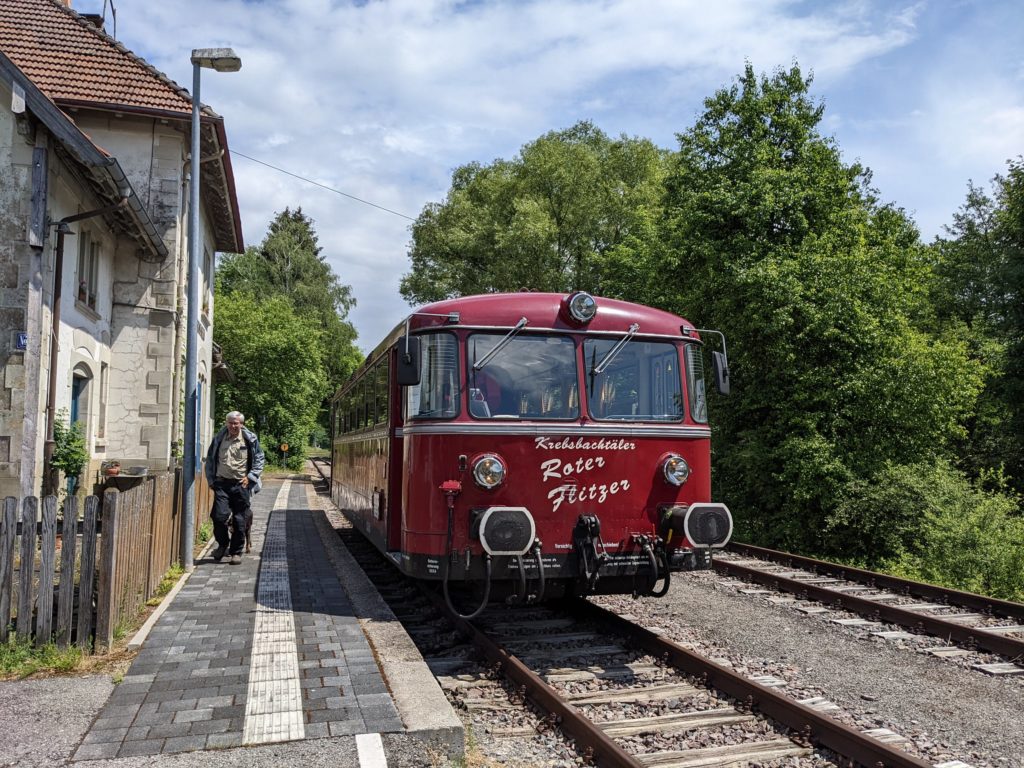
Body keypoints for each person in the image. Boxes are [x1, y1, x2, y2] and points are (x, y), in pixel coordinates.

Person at [204, 411, 265, 564]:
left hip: (241, 485)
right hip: (222, 484)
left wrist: (251, 477)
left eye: (236, 423)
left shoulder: (250, 439)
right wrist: (211, 480)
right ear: (226, 423)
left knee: (240, 520)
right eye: (230, 422)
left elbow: (259, 459)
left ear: (241, 424)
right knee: (218, 516)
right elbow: (210, 459)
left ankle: (236, 552)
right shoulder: (219, 439)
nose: (233, 425)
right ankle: (223, 544)